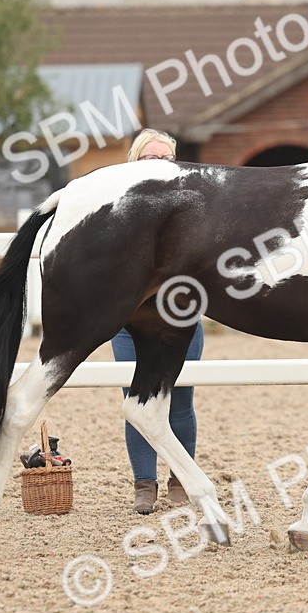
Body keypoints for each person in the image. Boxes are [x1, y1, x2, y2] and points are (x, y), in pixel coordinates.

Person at [112, 128, 206, 514]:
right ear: (134, 163)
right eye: (151, 158)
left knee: (180, 401)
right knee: (137, 400)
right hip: (129, 322)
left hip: (180, 320)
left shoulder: (192, 212)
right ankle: (144, 484)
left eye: (166, 158)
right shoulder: (115, 211)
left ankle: (180, 478)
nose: (160, 165)